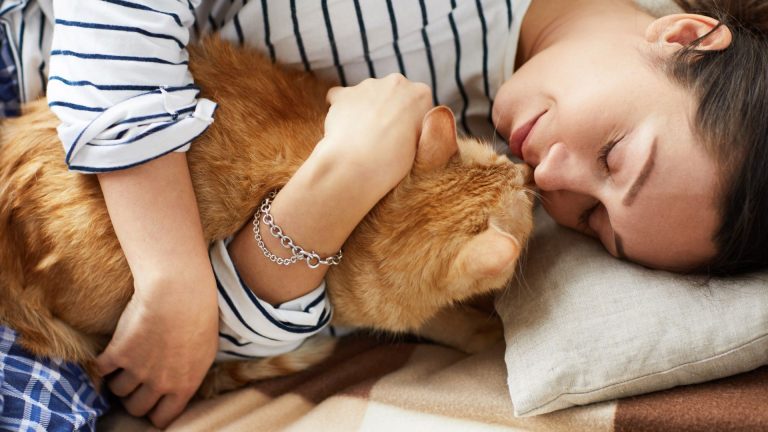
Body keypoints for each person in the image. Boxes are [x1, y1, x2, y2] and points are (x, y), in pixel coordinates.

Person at [0, 0, 765, 429]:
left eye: (596, 223)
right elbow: (111, 12)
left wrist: (336, 186)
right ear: (684, 35)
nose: (555, 182)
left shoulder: (488, 162)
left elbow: (191, 347)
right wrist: (173, 275)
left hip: (45, 250)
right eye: (616, 154)